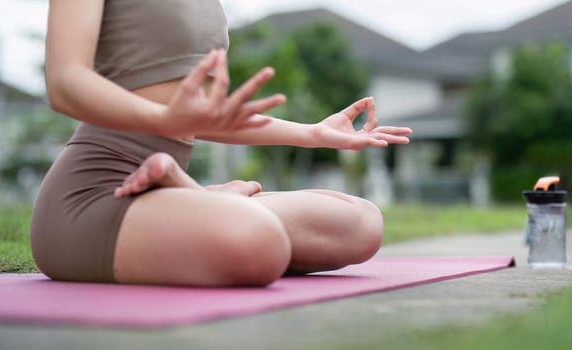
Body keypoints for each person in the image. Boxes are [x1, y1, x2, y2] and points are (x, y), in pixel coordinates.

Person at [30, 0, 412, 287]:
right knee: (260, 244)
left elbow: (203, 113)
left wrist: (313, 133)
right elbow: (65, 82)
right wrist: (162, 121)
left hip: (167, 199)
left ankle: (201, 198)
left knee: (361, 224)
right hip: (93, 204)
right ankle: (207, 200)